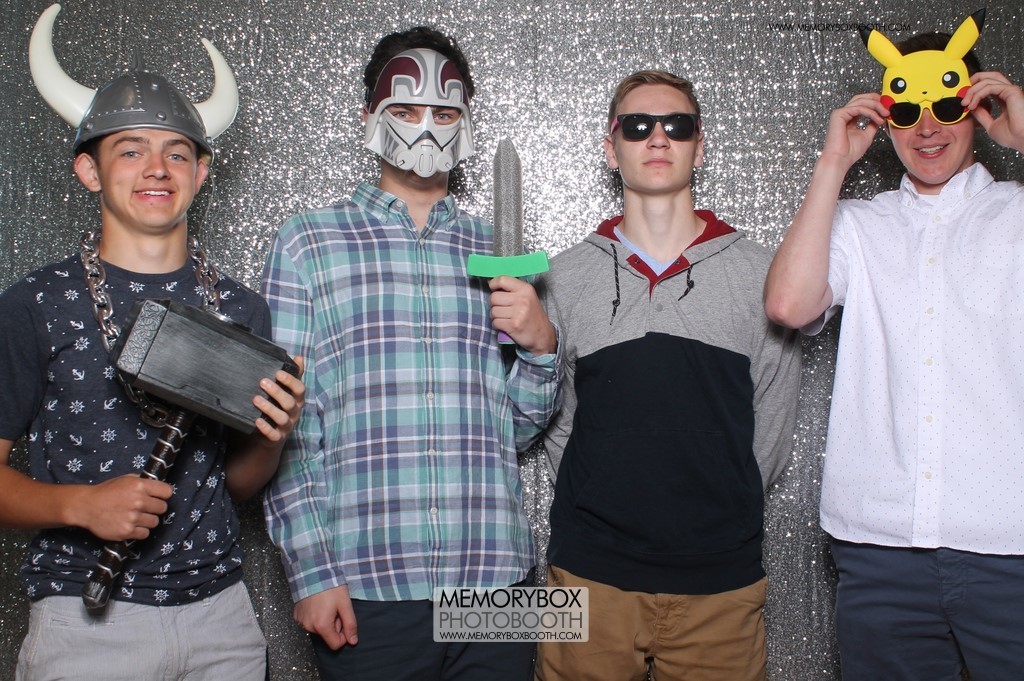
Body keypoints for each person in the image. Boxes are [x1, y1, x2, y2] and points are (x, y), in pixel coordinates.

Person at [0, 5, 305, 680]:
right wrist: (79, 504)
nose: (157, 169)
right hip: (85, 626)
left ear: (200, 173)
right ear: (90, 171)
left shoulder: (241, 309)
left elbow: (236, 486)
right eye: (131, 150)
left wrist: (273, 435)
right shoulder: (35, 304)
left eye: (177, 153)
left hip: (222, 620)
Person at [260, 26, 560, 681]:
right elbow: (285, 424)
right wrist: (309, 571)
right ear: (371, 114)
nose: (426, 127)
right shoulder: (308, 243)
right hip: (366, 585)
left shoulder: (500, 250)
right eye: (406, 108)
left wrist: (542, 349)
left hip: (496, 577)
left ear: (466, 121)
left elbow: (512, 432)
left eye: (444, 113)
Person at [763, 10, 1024, 680]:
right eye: (908, 112)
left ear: (979, 110)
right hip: (879, 551)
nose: (927, 127)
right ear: (886, 120)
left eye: (946, 106)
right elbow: (788, 304)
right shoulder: (856, 225)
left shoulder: (1017, 212)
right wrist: (833, 163)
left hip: (1010, 547)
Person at [535, 70, 801, 681]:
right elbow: (556, 416)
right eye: (637, 126)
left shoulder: (764, 274)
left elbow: (773, 420)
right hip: (586, 573)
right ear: (612, 148)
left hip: (721, 580)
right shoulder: (563, 277)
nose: (658, 138)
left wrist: (719, 505)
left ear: (698, 146)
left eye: (677, 126)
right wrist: (601, 490)